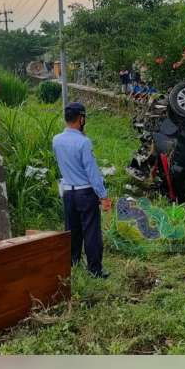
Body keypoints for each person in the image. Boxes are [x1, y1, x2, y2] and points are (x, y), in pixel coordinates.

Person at [52, 102, 112, 279]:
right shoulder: (84, 142)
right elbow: (92, 173)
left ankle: (73, 262)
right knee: (91, 231)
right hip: (85, 193)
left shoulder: (56, 140)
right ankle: (95, 269)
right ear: (81, 119)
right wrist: (103, 196)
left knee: (72, 230)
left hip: (68, 192)